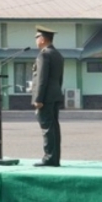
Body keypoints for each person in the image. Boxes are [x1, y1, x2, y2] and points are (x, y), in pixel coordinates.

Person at [32, 25, 65, 167]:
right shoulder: (57, 54)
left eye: (37, 37)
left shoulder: (44, 55)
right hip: (55, 94)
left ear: (43, 39)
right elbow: (59, 78)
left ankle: (49, 158)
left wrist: (38, 98)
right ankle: (54, 157)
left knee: (47, 128)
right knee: (54, 128)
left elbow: (41, 78)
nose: (36, 40)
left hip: (45, 97)